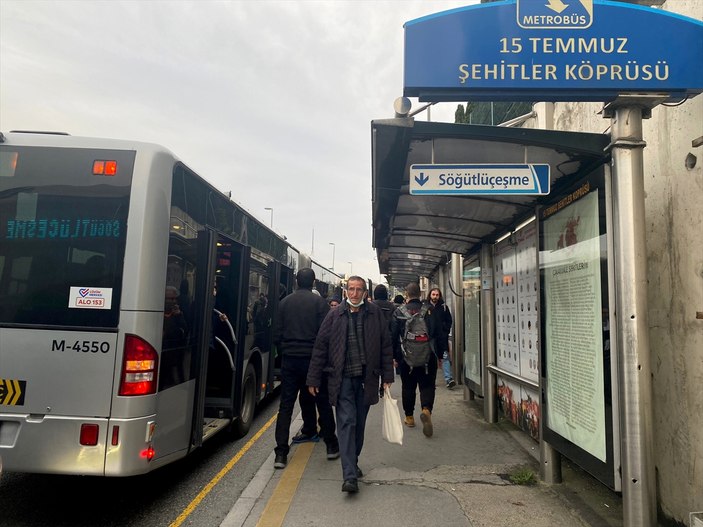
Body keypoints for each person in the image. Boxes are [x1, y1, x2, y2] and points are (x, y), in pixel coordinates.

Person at [307, 276, 394, 493]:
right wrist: (314, 378)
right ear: (346, 291)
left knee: (360, 425)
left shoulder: (375, 315)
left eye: (358, 290)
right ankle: (349, 476)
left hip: (367, 379)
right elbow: (320, 347)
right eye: (351, 289)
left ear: (365, 293)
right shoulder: (334, 315)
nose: (354, 294)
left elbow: (385, 345)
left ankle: (352, 462)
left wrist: (388, 377)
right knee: (346, 422)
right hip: (342, 379)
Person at [273, 268, 338, 470]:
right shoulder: (320, 304)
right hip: (313, 360)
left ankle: (281, 454)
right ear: (313, 283)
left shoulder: (284, 303)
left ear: (296, 281)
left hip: (290, 360)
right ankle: (331, 445)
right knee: (323, 402)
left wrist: (284, 350)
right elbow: (327, 334)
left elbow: (276, 332)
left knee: (286, 406)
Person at [392, 282, 438, 438]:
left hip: (406, 357)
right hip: (427, 356)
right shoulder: (429, 310)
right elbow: (436, 333)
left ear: (407, 293)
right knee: (427, 385)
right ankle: (426, 409)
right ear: (420, 293)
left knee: (408, 387)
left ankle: (409, 417)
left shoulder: (399, 312)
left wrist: (394, 356)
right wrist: (439, 353)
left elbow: (393, 336)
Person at [427, 287, 455, 389]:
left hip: (441, 338)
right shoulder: (425, 307)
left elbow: (449, 320)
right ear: (430, 295)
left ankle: (449, 379)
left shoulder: (443, 307)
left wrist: (445, 330)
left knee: (445, 357)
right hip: (430, 339)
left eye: (437, 295)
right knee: (432, 360)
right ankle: (431, 381)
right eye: (433, 294)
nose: (435, 297)